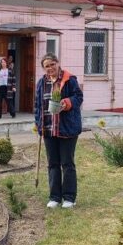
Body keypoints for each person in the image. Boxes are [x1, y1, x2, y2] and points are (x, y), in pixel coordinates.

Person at [34, 53, 83, 209]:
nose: (50, 68)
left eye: (52, 64)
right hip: (48, 129)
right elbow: (37, 105)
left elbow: (78, 97)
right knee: (53, 163)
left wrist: (67, 103)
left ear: (57, 63)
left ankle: (69, 198)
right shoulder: (42, 82)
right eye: (46, 66)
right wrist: (39, 124)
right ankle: (55, 197)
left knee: (67, 163)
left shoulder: (69, 79)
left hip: (67, 128)